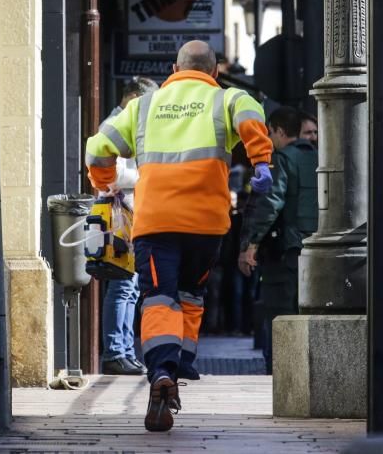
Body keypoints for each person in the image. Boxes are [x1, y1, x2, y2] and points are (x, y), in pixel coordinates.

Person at [86, 40, 273, 432]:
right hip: (207, 228)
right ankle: (182, 363)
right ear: (215, 71)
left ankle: (161, 372)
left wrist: (103, 183)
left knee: (158, 299)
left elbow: (98, 147)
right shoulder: (225, 99)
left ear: (174, 67)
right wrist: (261, 159)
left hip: (156, 225)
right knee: (190, 295)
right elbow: (252, 112)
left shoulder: (144, 106)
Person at [238, 106, 318, 374]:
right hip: (315, 251)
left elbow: (270, 203)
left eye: (270, 132)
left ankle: (281, 373)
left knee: (280, 314)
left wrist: (251, 244)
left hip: (285, 251)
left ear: (281, 131)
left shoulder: (281, 159)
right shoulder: (320, 158)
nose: (268, 138)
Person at [101, 77, 159, 376]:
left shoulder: (128, 125)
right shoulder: (114, 126)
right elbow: (113, 175)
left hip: (132, 215)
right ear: (134, 97)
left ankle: (124, 350)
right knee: (123, 286)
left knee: (131, 287)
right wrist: (149, 174)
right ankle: (114, 351)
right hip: (120, 216)